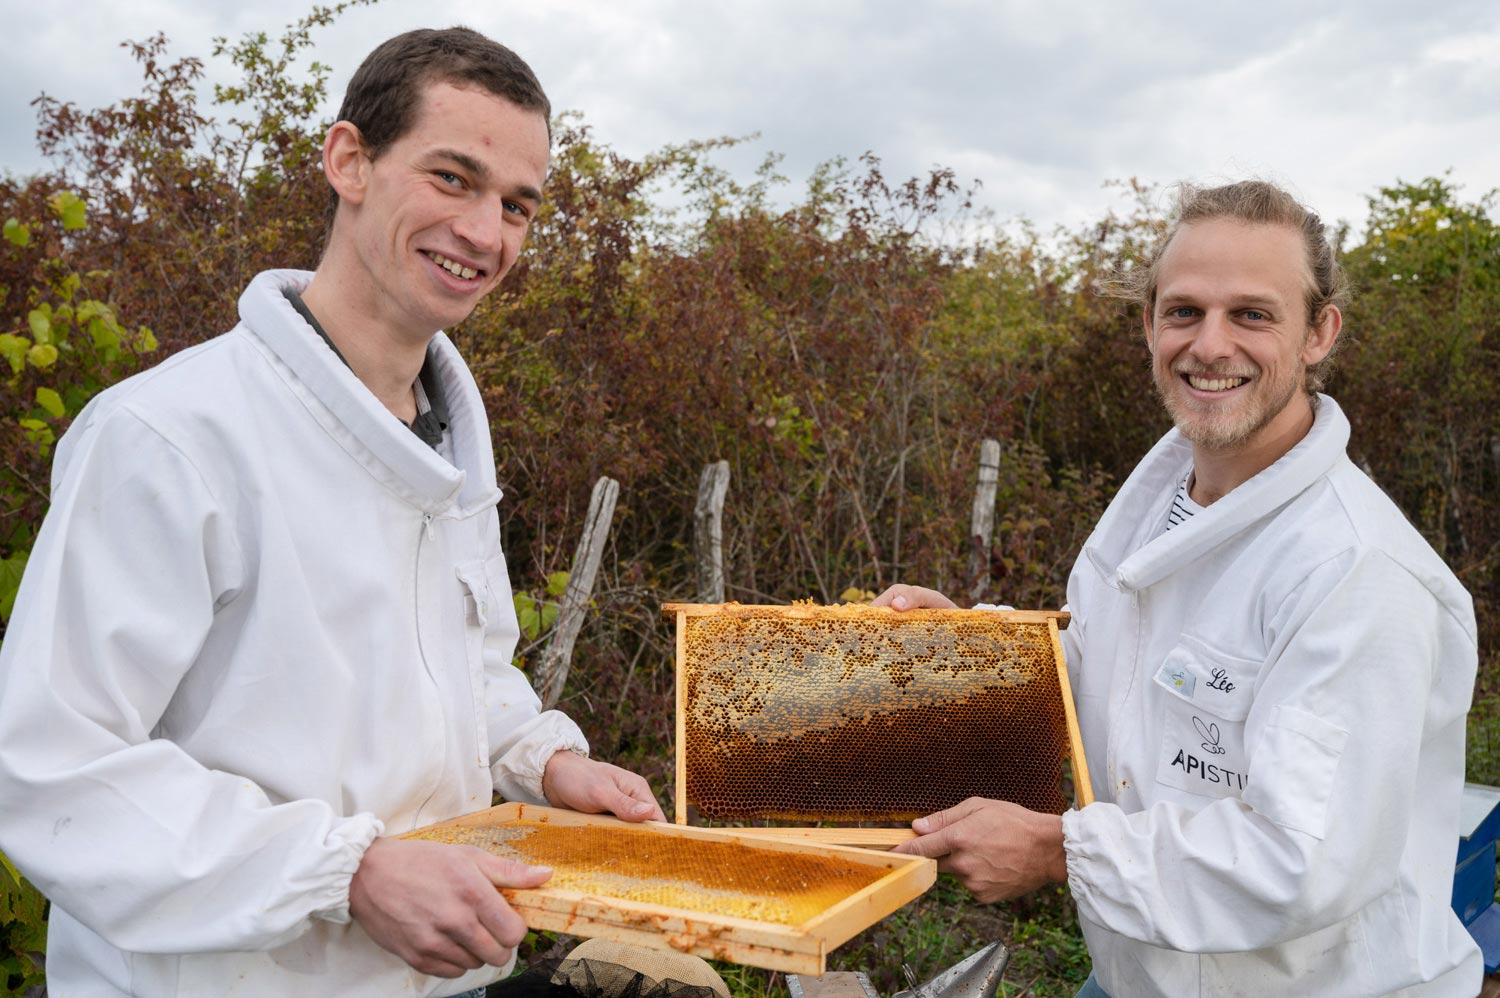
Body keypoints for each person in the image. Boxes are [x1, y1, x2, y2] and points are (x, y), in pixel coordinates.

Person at [0, 27, 664, 998]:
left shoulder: (444, 445)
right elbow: (49, 768)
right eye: (452, 178)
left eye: (517, 204)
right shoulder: (170, 435)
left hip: (440, 978)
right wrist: (348, 870)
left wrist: (543, 756)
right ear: (348, 160)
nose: (487, 232)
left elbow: (459, 671)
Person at [878, 180, 1483, 995]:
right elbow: (1114, 667)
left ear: (1319, 333)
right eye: (1185, 311)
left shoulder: (1358, 572)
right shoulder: (1158, 507)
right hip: (1144, 973)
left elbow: (1299, 861)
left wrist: (1061, 851)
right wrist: (982, 655)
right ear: (1150, 324)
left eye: (1253, 315)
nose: (1211, 344)